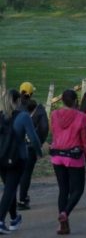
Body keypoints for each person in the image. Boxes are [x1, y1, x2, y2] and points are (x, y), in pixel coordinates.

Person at [49, 89, 86, 235]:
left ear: (62, 100)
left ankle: (64, 225)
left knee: (63, 190)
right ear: (76, 101)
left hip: (57, 155)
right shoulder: (81, 117)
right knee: (77, 189)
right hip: (74, 156)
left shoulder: (54, 115)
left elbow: (54, 132)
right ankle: (65, 213)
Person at [0, 90, 42, 234]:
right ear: (18, 101)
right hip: (18, 158)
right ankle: (0, 220)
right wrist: (39, 151)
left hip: (1, 158)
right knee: (10, 189)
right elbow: (33, 138)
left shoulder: (1, 117)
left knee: (9, 188)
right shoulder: (23, 116)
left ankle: (13, 218)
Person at [17, 82, 48, 212]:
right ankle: (22, 199)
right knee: (26, 174)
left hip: (14, 146)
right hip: (30, 147)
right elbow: (44, 128)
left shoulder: (14, 107)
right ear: (32, 93)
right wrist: (39, 143)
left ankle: (10, 199)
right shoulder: (38, 109)